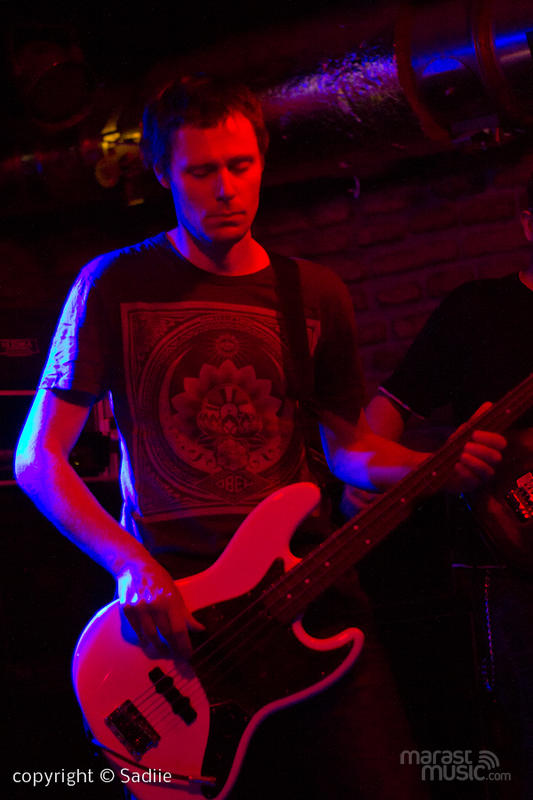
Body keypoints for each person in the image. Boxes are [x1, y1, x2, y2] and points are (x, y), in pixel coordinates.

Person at [14, 75, 505, 799]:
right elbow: (37, 458)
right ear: (163, 174)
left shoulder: (314, 292)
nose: (225, 189)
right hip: (181, 630)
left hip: (314, 602)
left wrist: (433, 466)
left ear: (262, 161)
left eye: (240, 166)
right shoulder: (111, 283)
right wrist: (129, 566)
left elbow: (347, 450)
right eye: (201, 171)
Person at [344, 176, 533, 797]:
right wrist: (397, 471)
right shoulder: (478, 310)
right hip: (507, 573)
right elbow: (378, 423)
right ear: (528, 224)